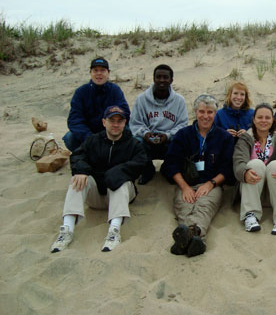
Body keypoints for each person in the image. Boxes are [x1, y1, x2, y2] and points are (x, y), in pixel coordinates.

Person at [50, 106, 148, 253]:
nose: (115, 125)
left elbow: (141, 163)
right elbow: (77, 156)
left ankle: (114, 231)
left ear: (124, 123)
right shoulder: (93, 140)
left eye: (119, 121)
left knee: (120, 183)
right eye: (111, 120)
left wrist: (116, 173)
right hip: (95, 196)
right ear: (104, 122)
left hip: (121, 196)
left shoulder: (133, 143)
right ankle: (67, 230)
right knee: (77, 180)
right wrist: (82, 171)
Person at [161, 95, 234, 257]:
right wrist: (184, 187)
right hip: (185, 183)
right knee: (184, 207)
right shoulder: (182, 135)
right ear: (195, 112)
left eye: (210, 112)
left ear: (215, 114)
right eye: (201, 111)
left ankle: (187, 237)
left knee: (204, 207)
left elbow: (227, 168)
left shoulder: (225, 138)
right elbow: (170, 164)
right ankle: (195, 239)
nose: (205, 116)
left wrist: (211, 184)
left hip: (212, 185)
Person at [233, 103, 276, 236]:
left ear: (272, 120)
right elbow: (238, 162)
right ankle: (250, 215)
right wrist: (244, 173)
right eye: (260, 117)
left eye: (267, 117)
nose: (263, 120)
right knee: (255, 164)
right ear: (254, 120)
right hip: (253, 193)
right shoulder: (245, 138)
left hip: (275, 191)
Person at [130, 64, 188, 185]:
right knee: (134, 141)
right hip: (147, 139)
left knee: (181, 141)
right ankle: (147, 170)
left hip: (168, 140)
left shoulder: (179, 100)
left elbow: (182, 125)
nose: (162, 80)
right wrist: (145, 134)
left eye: (165, 77)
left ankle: (168, 169)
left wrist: (167, 135)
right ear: (153, 79)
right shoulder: (141, 99)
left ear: (171, 80)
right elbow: (135, 123)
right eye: (158, 77)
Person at [63, 57, 130, 152]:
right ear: (90, 73)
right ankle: (87, 154)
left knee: (129, 131)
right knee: (69, 138)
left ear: (108, 73)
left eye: (102, 70)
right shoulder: (81, 92)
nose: (99, 73)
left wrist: (110, 132)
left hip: (110, 131)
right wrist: (90, 138)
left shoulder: (115, 90)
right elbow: (74, 120)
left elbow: (125, 113)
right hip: (89, 133)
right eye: (95, 70)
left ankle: (117, 153)